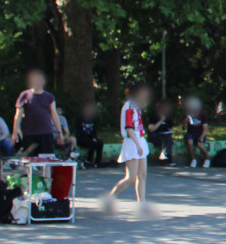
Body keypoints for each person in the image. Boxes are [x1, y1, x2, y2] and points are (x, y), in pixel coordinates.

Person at [104, 83, 154, 213]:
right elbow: (129, 128)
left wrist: (141, 143)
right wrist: (137, 144)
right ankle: (110, 198)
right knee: (131, 177)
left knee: (142, 175)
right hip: (132, 142)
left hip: (140, 140)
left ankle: (141, 204)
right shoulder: (129, 106)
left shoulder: (137, 106)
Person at [13, 69, 66, 156]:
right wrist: (15, 133)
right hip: (29, 133)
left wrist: (60, 133)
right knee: (29, 161)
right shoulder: (25, 95)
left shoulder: (49, 97)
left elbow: (54, 115)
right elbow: (18, 115)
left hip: (46, 133)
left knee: (46, 160)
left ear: (44, 81)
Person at [182, 97, 210, 168]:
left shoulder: (203, 115)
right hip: (190, 133)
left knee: (200, 144)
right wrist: (185, 122)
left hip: (200, 133)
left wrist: (201, 136)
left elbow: (205, 128)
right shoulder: (188, 115)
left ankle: (207, 159)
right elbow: (184, 128)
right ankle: (193, 160)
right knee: (190, 142)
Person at [74, 101, 104, 167]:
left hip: (91, 138)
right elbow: (79, 131)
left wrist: (94, 138)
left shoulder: (94, 120)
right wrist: (90, 138)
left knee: (100, 143)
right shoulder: (80, 119)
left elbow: (95, 130)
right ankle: (89, 160)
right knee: (92, 144)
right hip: (82, 139)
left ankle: (98, 161)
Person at [149, 98, 177, 165]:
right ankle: (168, 159)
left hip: (165, 135)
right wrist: (160, 121)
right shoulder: (153, 115)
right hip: (155, 135)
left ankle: (166, 156)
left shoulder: (168, 116)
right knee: (166, 139)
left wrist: (171, 131)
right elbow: (151, 129)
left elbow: (170, 129)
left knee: (168, 138)